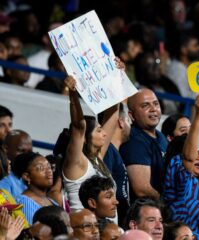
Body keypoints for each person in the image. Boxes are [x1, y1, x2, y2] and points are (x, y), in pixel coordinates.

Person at [62, 59, 123, 212]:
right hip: (85, 231)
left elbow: (113, 112)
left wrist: (116, 76)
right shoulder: (77, 162)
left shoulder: (98, 157)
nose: (104, 133)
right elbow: (78, 126)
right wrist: (73, 93)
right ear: (85, 138)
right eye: (98, 130)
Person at [163, 95, 199, 239]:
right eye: (194, 152)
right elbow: (189, 158)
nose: (198, 157)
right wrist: (198, 116)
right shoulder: (177, 175)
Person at [120, 89, 168, 200]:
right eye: (145, 105)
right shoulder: (134, 140)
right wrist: (167, 204)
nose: (153, 109)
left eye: (156, 104)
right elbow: (141, 189)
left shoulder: (161, 137)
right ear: (131, 115)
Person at [101, 104, 131, 225]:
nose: (132, 123)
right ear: (121, 122)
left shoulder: (115, 152)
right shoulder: (108, 151)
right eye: (128, 120)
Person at [14, 152, 57, 225]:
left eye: (49, 167)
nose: (49, 171)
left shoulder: (52, 201)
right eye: (41, 168)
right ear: (27, 177)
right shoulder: (23, 203)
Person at [165, 34, 199, 98]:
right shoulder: (177, 70)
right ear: (184, 50)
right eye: (195, 45)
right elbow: (184, 97)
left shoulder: (187, 68)